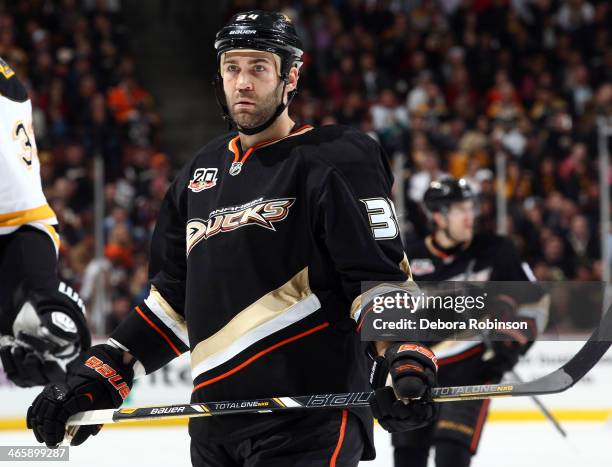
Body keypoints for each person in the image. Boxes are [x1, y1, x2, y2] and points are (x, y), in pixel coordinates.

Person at [27, 12, 439, 466]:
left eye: (259, 67)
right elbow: (174, 304)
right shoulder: (197, 175)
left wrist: (404, 355)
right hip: (213, 427)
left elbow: (378, 280)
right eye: (232, 67)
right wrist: (104, 373)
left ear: (290, 76)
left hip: (310, 419)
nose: (243, 82)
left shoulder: (336, 158)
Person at [392, 178, 549, 467]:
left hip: (471, 375)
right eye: (459, 209)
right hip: (417, 372)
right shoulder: (407, 258)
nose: (469, 216)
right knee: (407, 457)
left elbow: (536, 302)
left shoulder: (497, 250)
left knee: (451, 454)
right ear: (438, 216)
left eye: (471, 207)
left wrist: (512, 341)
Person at [0, 57, 90, 387]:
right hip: (20, 225)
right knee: (24, 358)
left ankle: (83, 385)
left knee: (49, 325)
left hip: (18, 227)